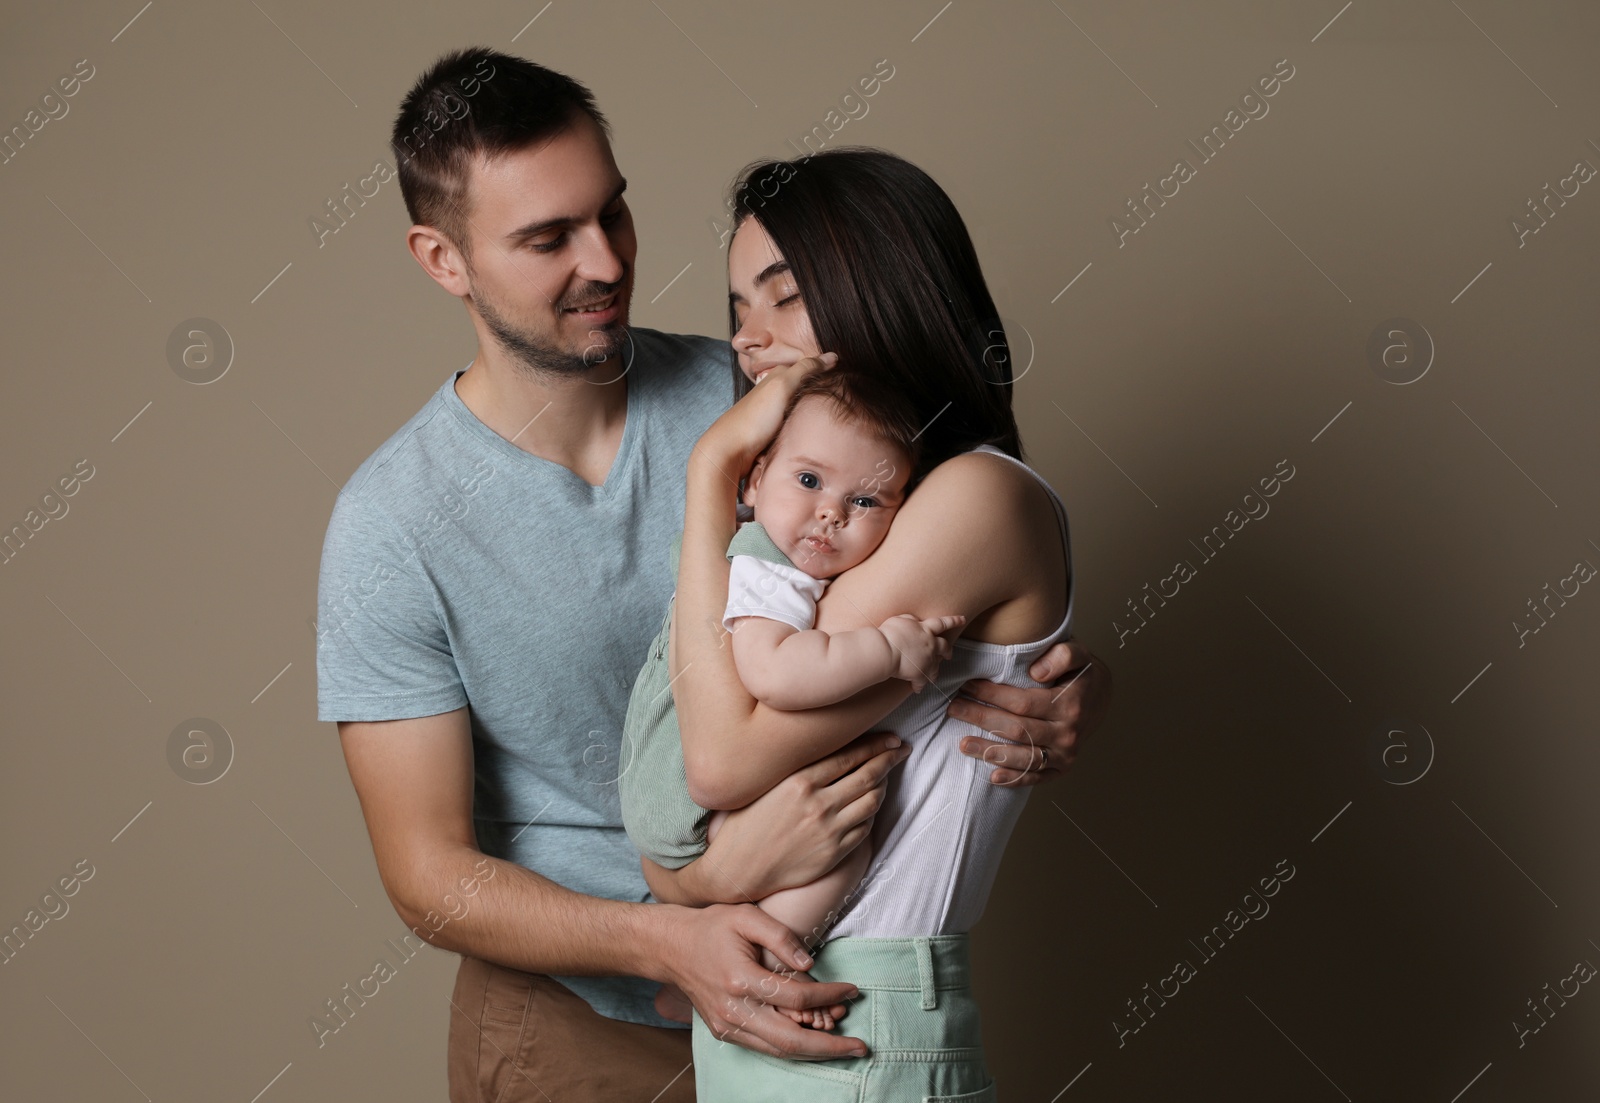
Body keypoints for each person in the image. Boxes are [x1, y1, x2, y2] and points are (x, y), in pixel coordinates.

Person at [316, 46, 1111, 1103]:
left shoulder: (778, 400)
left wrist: (1061, 689)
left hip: (823, 983)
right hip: (579, 1023)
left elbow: (971, 573)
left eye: (614, 213)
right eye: (547, 238)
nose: (602, 260)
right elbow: (426, 876)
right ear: (442, 257)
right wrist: (667, 935)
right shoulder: (392, 522)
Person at [638, 148, 1082, 1099]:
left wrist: (710, 476)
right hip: (768, 1003)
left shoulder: (970, 496)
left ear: (883, 288)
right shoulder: (834, 526)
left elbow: (717, 757)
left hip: (857, 1018)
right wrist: (688, 882)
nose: (751, 340)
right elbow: (692, 792)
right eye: (737, 311)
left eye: (784, 295)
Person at [618, 368, 966, 1031]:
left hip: (674, 799)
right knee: (848, 851)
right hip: (681, 794)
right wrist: (890, 649)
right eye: (808, 481)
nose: (831, 511)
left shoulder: (775, 559)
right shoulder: (764, 568)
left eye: (867, 502)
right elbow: (776, 671)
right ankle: (757, 972)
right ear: (754, 482)